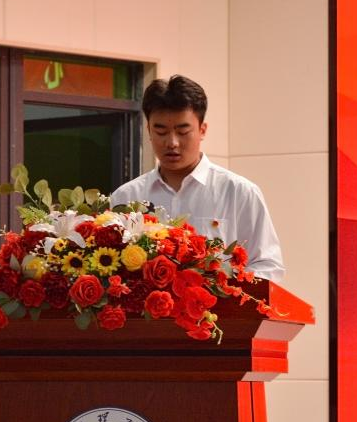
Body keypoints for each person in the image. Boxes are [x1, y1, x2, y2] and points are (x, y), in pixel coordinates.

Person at [110, 75, 284, 282]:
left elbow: (268, 266)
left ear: (202, 130)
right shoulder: (126, 197)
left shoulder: (239, 192)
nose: (172, 142)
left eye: (183, 131)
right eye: (161, 131)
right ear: (148, 130)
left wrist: (224, 287)